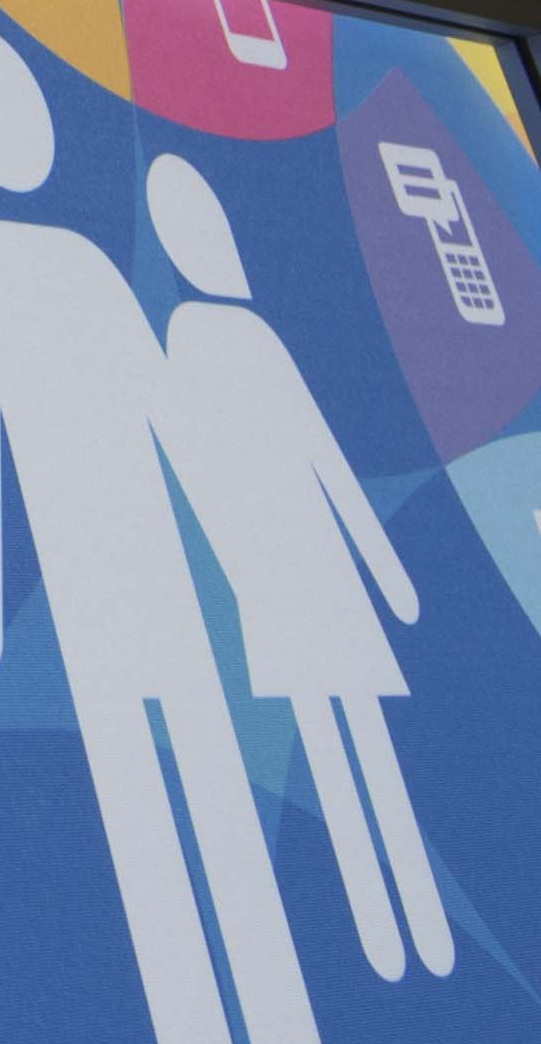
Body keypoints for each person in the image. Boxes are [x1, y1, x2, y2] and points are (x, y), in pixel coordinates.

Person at [0, 23, 314, 1044]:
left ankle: (273, 1004)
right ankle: (192, 1009)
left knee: (206, 771)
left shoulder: (90, 271)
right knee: (137, 784)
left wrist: (243, 562)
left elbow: (170, 423)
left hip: (160, 576)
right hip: (83, 581)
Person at [149, 152, 454, 984]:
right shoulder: (190, 339)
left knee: (361, 735)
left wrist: (384, 570)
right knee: (328, 734)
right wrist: (240, 580)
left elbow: (324, 458)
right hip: (273, 572)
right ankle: (385, 928)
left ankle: (419, 922)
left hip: (313, 569)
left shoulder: (250, 336)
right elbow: (201, 474)